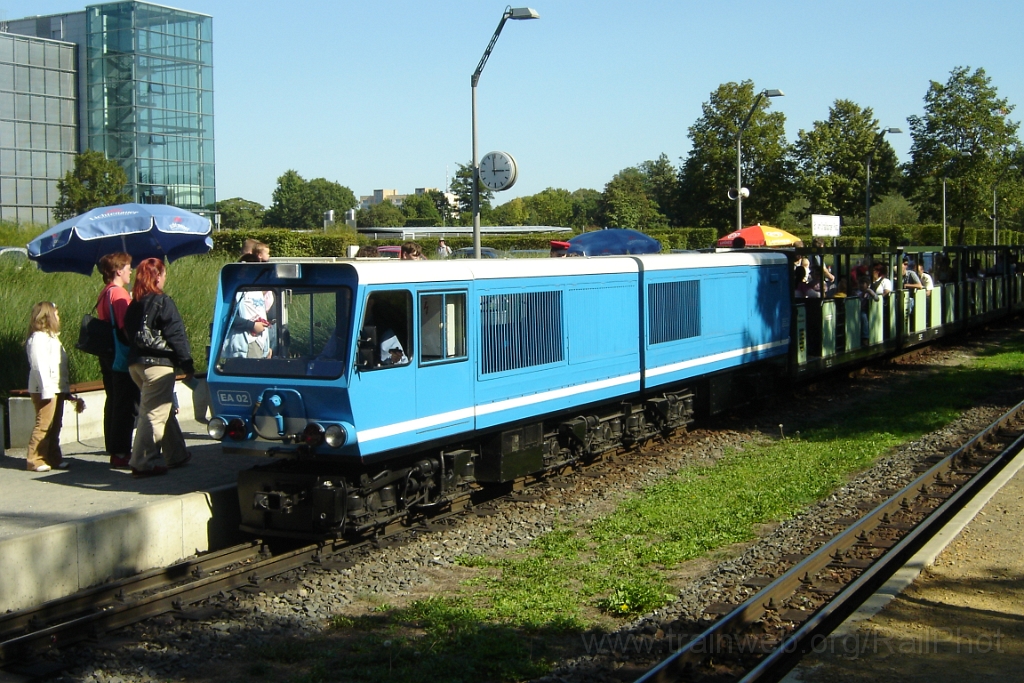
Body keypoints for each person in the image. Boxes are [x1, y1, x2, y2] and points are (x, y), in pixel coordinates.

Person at [123, 258, 195, 477]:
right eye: (163, 274)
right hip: (159, 365)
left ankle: (177, 454)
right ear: (157, 277)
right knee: (154, 414)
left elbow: (126, 331)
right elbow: (176, 335)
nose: (165, 278)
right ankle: (142, 462)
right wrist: (187, 364)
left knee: (162, 408)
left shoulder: (134, 303)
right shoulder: (162, 302)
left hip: (136, 364)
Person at [25, 302, 85, 472]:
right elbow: (38, 366)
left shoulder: (53, 338)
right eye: (56, 314)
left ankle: (53, 456)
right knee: (43, 424)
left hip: (56, 387)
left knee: (56, 425)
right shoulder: (37, 339)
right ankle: (34, 459)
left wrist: (65, 390)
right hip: (44, 389)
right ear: (48, 316)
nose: (59, 318)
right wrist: (46, 390)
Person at [96, 253, 140, 469]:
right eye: (128, 267)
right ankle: (121, 450)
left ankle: (113, 447)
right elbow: (126, 327)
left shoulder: (104, 293)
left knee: (112, 401)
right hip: (121, 356)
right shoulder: (119, 295)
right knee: (125, 405)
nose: (131, 271)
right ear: (118, 270)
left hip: (107, 353)